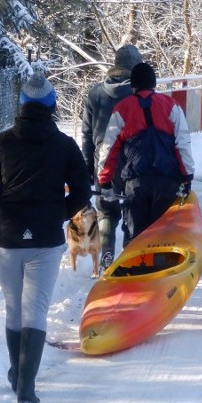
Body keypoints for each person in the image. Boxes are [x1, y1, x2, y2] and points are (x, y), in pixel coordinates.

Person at [0, 72, 91, 403]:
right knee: (36, 310)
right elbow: (82, 192)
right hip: (46, 237)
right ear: (52, 106)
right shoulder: (65, 146)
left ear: (22, 106)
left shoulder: (1, 142)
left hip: (8, 237)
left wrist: (1, 210)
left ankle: (17, 373)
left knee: (14, 308)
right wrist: (60, 214)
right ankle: (26, 386)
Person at [96, 62, 194, 246]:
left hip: (136, 183)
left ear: (133, 85)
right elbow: (183, 144)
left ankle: (136, 270)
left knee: (136, 238)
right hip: (167, 182)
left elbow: (108, 148)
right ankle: (164, 269)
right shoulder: (171, 106)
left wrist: (105, 181)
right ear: (154, 84)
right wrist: (187, 177)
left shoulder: (122, 108)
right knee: (165, 236)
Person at [81, 44, 141, 270]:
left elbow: (87, 132)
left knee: (107, 210)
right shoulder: (137, 93)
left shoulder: (96, 93)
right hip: (132, 160)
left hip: (103, 162)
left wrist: (87, 165)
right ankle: (131, 257)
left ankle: (107, 255)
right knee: (133, 207)